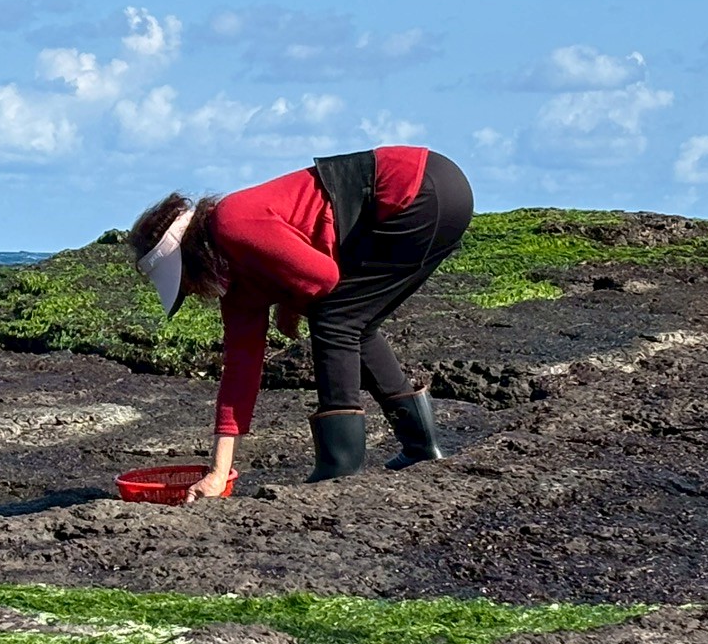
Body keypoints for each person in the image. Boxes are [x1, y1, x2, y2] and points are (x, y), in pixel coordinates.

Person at [128, 146, 473, 492]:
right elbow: (240, 373)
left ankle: (341, 467)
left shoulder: (231, 221)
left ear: (191, 257)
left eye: (185, 282)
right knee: (355, 323)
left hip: (415, 190)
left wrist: (288, 306)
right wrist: (218, 473)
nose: (191, 291)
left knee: (335, 317)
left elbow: (322, 277)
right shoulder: (239, 291)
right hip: (441, 195)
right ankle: (420, 445)